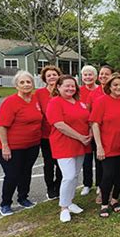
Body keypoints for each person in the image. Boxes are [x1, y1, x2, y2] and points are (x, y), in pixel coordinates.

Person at [0, 71, 42, 216]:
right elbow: (2, 125)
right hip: (8, 145)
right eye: (22, 82)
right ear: (16, 86)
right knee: (13, 174)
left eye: (28, 82)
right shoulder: (10, 102)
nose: (26, 85)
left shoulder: (35, 99)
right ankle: (5, 203)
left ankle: (23, 198)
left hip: (31, 145)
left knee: (26, 172)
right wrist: (5, 146)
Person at [46, 75, 92, 223]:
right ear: (58, 87)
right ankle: (64, 207)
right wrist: (80, 136)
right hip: (64, 144)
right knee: (69, 175)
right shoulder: (55, 103)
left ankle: (70, 201)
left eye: (73, 86)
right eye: (67, 86)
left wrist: (89, 134)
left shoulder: (80, 103)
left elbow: (88, 120)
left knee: (75, 175)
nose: (71, 88)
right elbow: (59, 125)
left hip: (81, 144)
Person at [90, 73, 120, 218]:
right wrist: (99, 146)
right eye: (115, 85)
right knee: (108, 175)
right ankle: (104, 204)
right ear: (109, 86)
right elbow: (95, 124)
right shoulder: (102, 101)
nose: (118, 87)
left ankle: (115, 199)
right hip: (107, 146)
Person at [85, 64, 114, 202]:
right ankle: (100, 186)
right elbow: (89, 113)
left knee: (113, 162)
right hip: (98, 133)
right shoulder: (93, 93)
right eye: (101, 74)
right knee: (99, 161)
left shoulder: (116, 90)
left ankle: (111, 186)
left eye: (106, 74)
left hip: (113, 133)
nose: (103, 76)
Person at [35, 65, 63, 200]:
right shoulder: (39, 93)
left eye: (54, 74)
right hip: (46, 135)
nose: (52, 77)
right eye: (49, 76)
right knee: (49, 163)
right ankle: (50, 188)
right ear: (45, 79)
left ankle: (58, 186)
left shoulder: (63, 91)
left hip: (61, 134)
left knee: (61, 163)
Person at [79, 65, 98, 196]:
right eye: (85, 75)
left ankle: (99, 184)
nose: (87, 77)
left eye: (90, 74)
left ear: (95, 76)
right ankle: (87, 184)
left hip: (97, 129)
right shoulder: (78, 91)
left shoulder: (101, 90)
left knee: (99, 158)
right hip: (83, 130)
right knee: (86, 159)